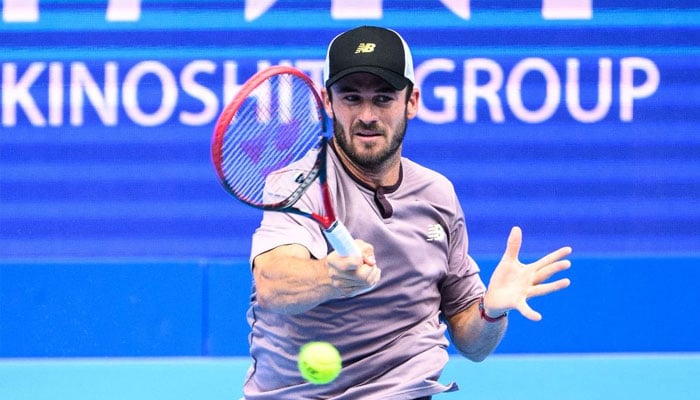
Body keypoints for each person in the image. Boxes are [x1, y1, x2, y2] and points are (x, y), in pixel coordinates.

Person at [243, 26, 572, 399]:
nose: (367, 115)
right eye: (351, 98)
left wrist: (492, 311)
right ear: (328, 101)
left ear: (411, 101)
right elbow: (273, 283)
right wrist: (330, 276)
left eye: (383, 98)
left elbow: (473, 343)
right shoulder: (298, 184)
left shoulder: (437, 195)